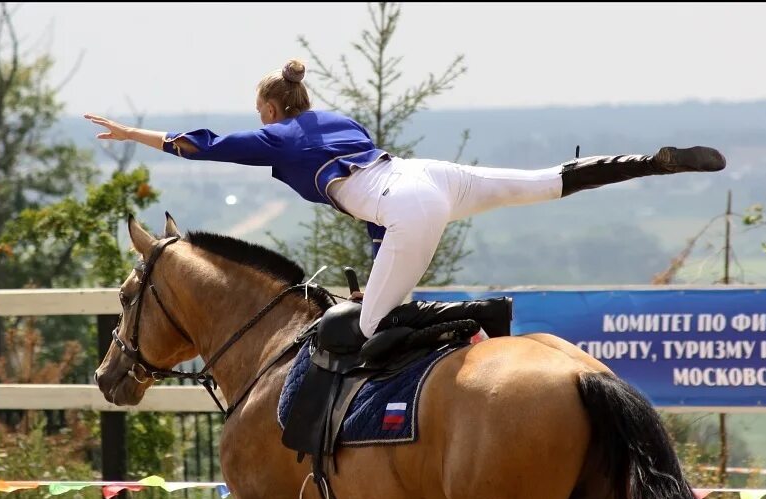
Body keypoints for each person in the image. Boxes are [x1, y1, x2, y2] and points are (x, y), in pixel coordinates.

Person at [85, 59, 726, 342]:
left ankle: (476, 318)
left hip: (407, 203)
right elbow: (378, 208)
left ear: (273, 109)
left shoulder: (276, 134)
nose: (263, 124)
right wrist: (375, 274)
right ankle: (653, 162)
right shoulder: (341, 122)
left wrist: (130, 132)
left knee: (365, 329)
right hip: (430, 177)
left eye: (263, 115)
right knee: (544, 182)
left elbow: (201, 144)